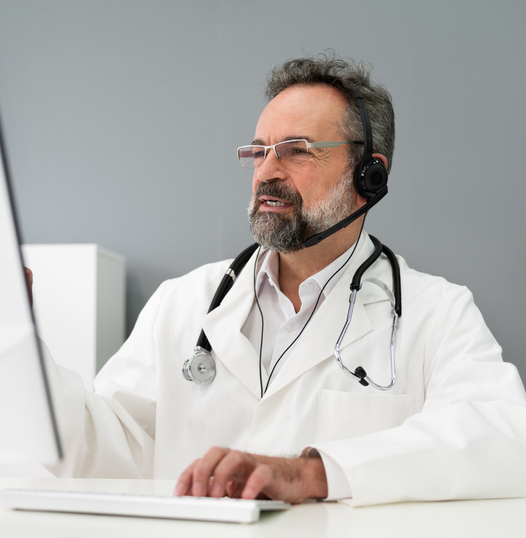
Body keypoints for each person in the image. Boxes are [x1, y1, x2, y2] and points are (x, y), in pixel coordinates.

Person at [44, 53, 526, 506]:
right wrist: (22, 345)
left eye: (297, 151)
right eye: (259, 152)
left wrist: (311, 473)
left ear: (369, 176)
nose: (267, 172)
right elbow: (98, 446)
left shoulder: (436, 312)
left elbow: (505, 436)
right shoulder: (184, 303)